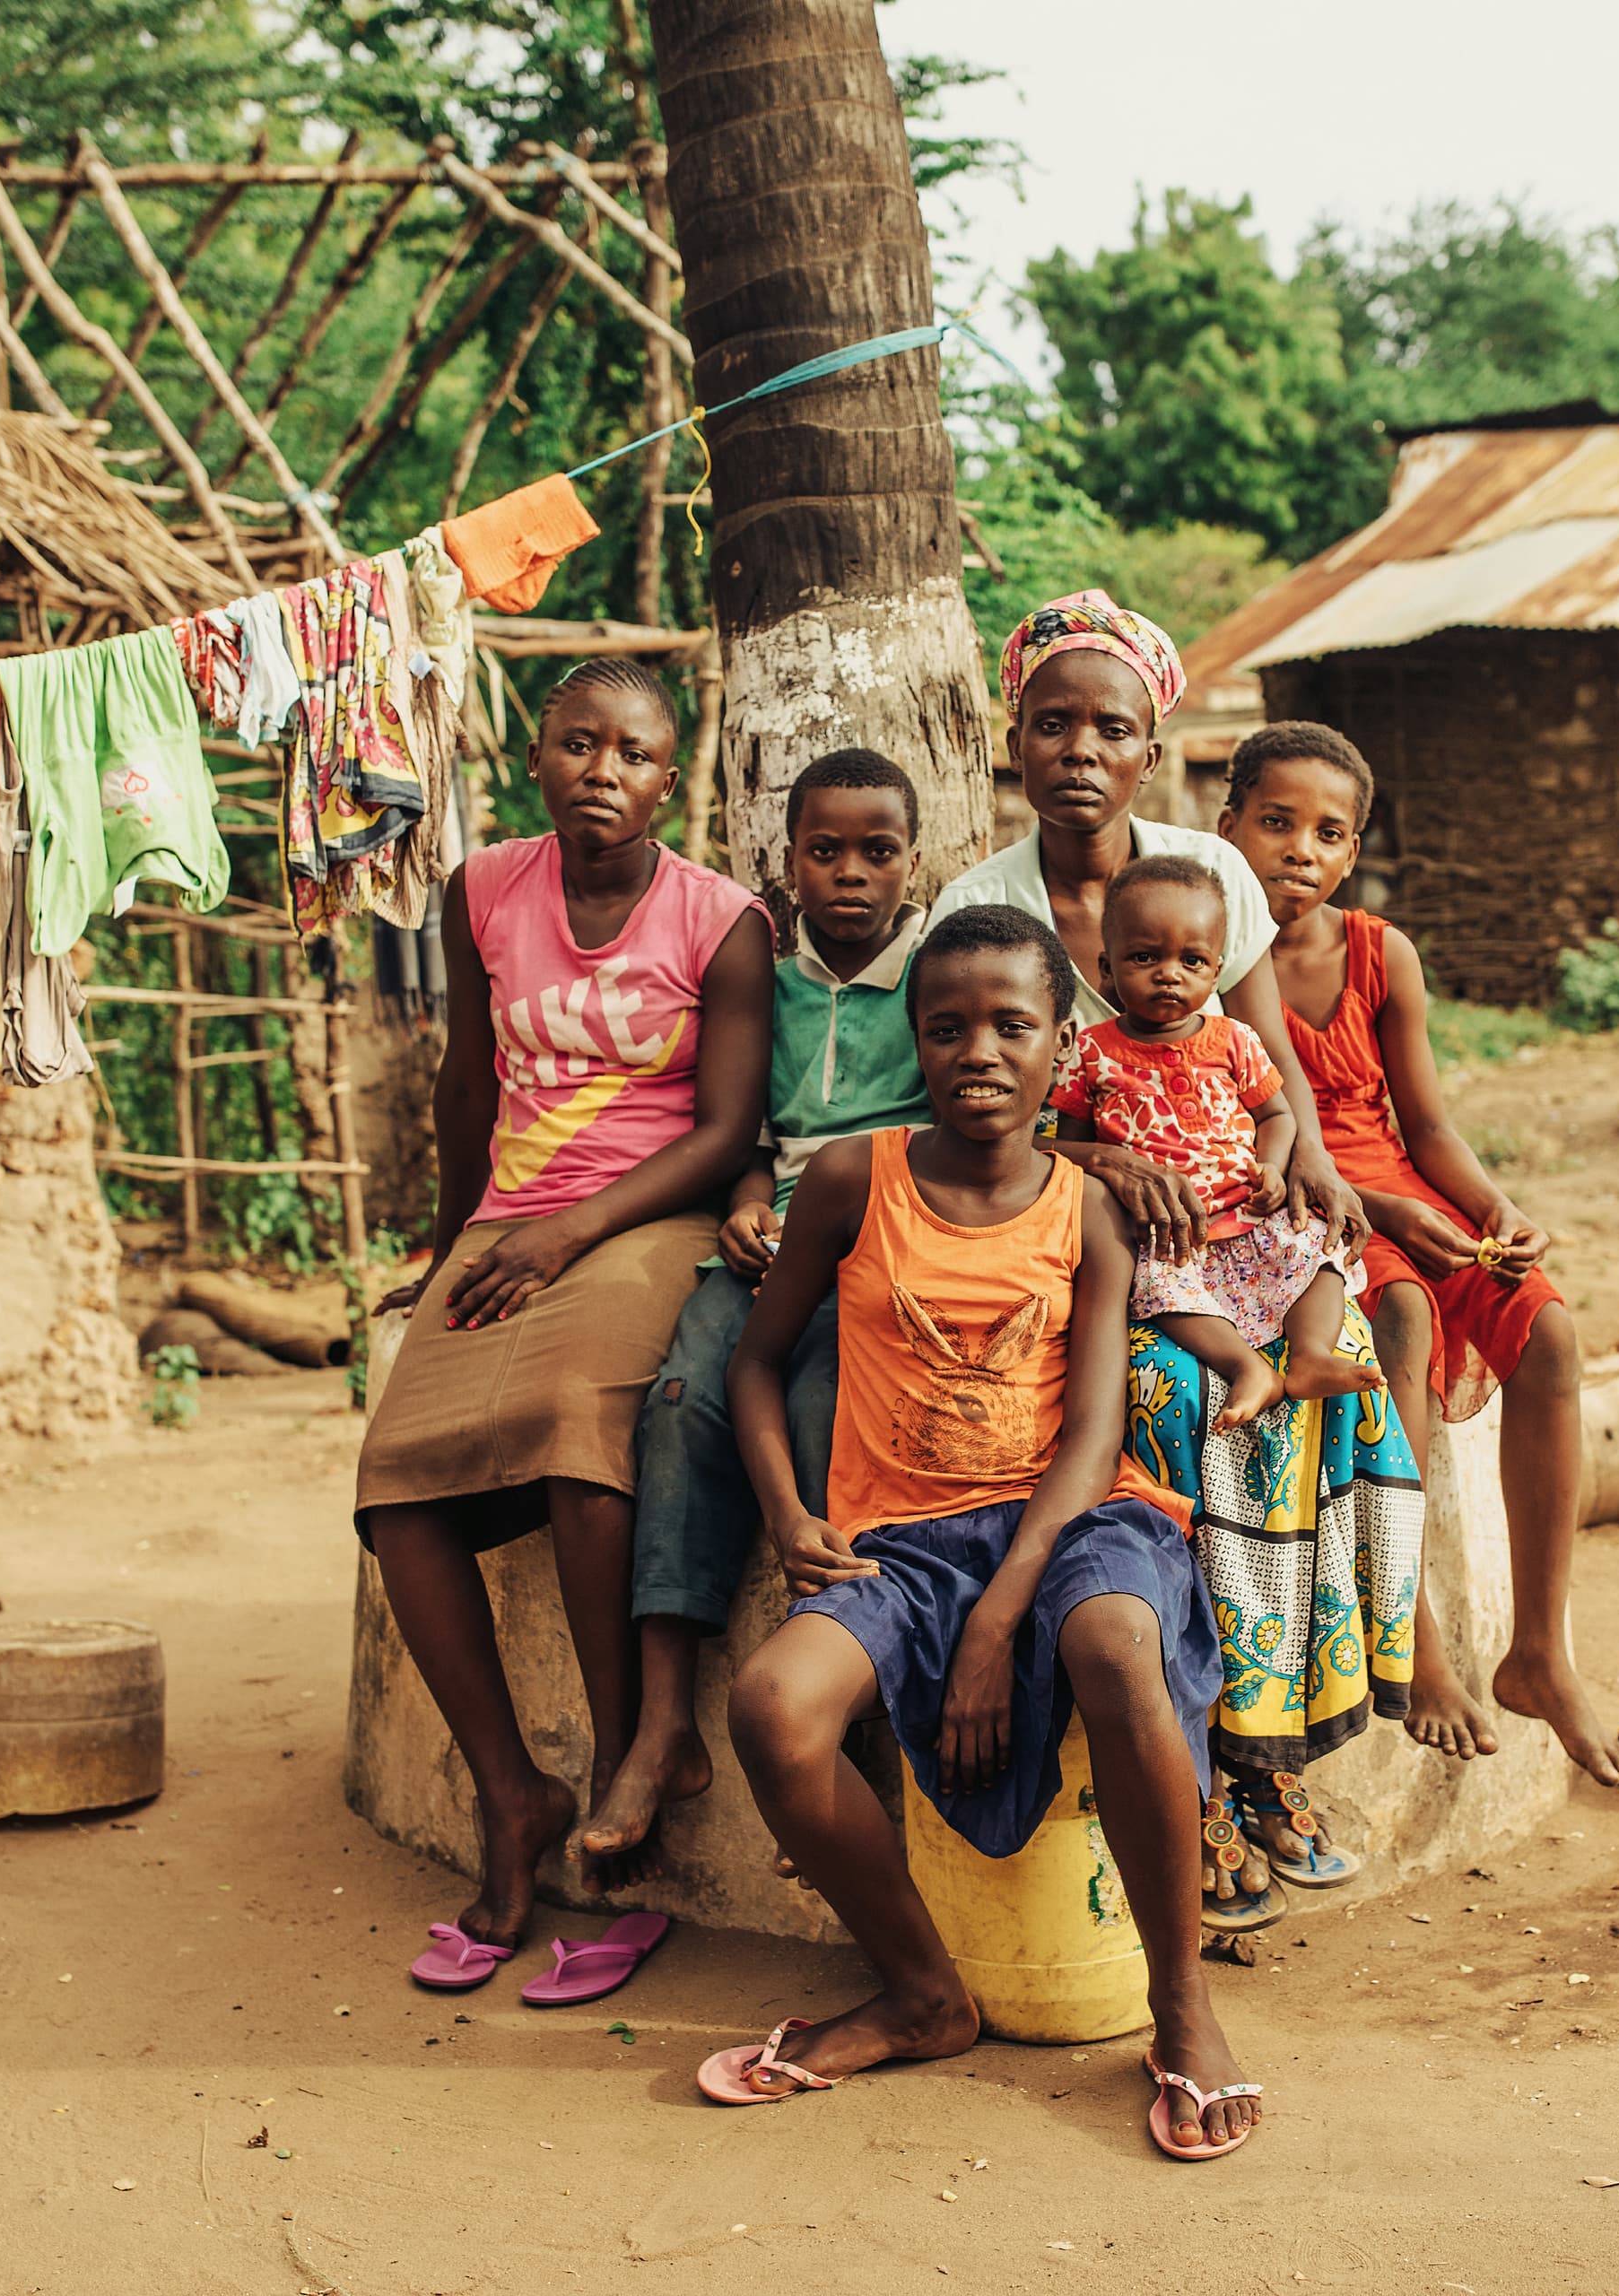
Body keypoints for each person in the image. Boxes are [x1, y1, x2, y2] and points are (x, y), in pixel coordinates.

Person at [698, 905, 1260, 2161]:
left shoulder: (1088, 1214)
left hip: (1072, 1522)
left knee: (1116, 1646)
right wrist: (792, 1514)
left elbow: (1088, 1435)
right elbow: (754, 1365)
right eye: (945, 1028)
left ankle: (1182, 2005)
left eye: (1013, 1025)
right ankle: (920, 1992)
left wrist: (1001, 1618)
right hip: (898, 1541)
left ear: (1063, 1046)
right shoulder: (855, 1182)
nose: (979, 1052)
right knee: (773, 1711)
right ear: (915, 1042)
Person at [930, 589, 1419, 1926]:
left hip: (1233, 1226)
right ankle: (1195, 1762)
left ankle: (1278, 1746)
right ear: (1014, 742)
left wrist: (1307, 1158)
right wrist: (1101, 1165)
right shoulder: (981, 907)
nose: (1081, 751)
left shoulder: (1211, 881)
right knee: (1172, 1397)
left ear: (1154, 748)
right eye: (1054, 726)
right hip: (1085, 1246)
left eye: (1113, 728)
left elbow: (1269, 1065)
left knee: (1349, 1371)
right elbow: (983, 1110)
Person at [352, 657, 775, 1986]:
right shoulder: (483, 888)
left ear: (668, 778)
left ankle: (621, 1765)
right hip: (510, 1222)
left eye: (635, 753)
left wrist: (567, 1234)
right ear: (535, 757)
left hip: (647, 1220)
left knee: (580, 1450)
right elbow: (465, 1085)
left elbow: (724, 1134)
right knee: (394, 1490)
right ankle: (509, 1793)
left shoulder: (723, 920)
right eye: (578, 742)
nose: (604, 769)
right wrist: (450, 1241)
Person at [1217, 720, 1619, 1787]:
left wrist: (1500, 1212)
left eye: (1327, 833)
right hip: (1299, 1202)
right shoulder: (1212, 954)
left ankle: (1539, 1649)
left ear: (1354, 853)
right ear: (1228, 828)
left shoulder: (1377, 951)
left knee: (1548, 1332)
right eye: (1275, 823)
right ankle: (1421, 1645)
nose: (1298, 851)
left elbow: (1429, 1127)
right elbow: (1275, 1135)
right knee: (1395, 1324)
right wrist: (1385, 1217)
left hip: (1403, 1189)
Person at [581, 748, 931, 1864]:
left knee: (830, 1412)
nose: (850, 874)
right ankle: (665, 1720)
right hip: (769, 1246)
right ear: (787, 866)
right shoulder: (767, 985)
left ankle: (836, 1721)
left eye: (877, 852)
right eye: (824, 851)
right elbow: (749, 1140)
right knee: (684, 1398)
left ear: (912, 863)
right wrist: (739, 1204)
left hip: (882, 1247)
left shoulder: (938, 976)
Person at [1050, 852, 1377, 1431]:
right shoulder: (1092, 1052)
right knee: (1159, 1291)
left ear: (1217, 969)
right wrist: (1113, 1162)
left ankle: (1308, 1356)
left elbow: (1277, 1115)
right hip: (1168, 1232)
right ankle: (1247, 1366)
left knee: (1316, 1254)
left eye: (1191, 960)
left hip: (1249, 1212)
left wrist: (1273, 1169)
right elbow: (1064, 1146)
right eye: (1144, 958)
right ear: (1106, 967)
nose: (1168, 974)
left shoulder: (1235, 1040)